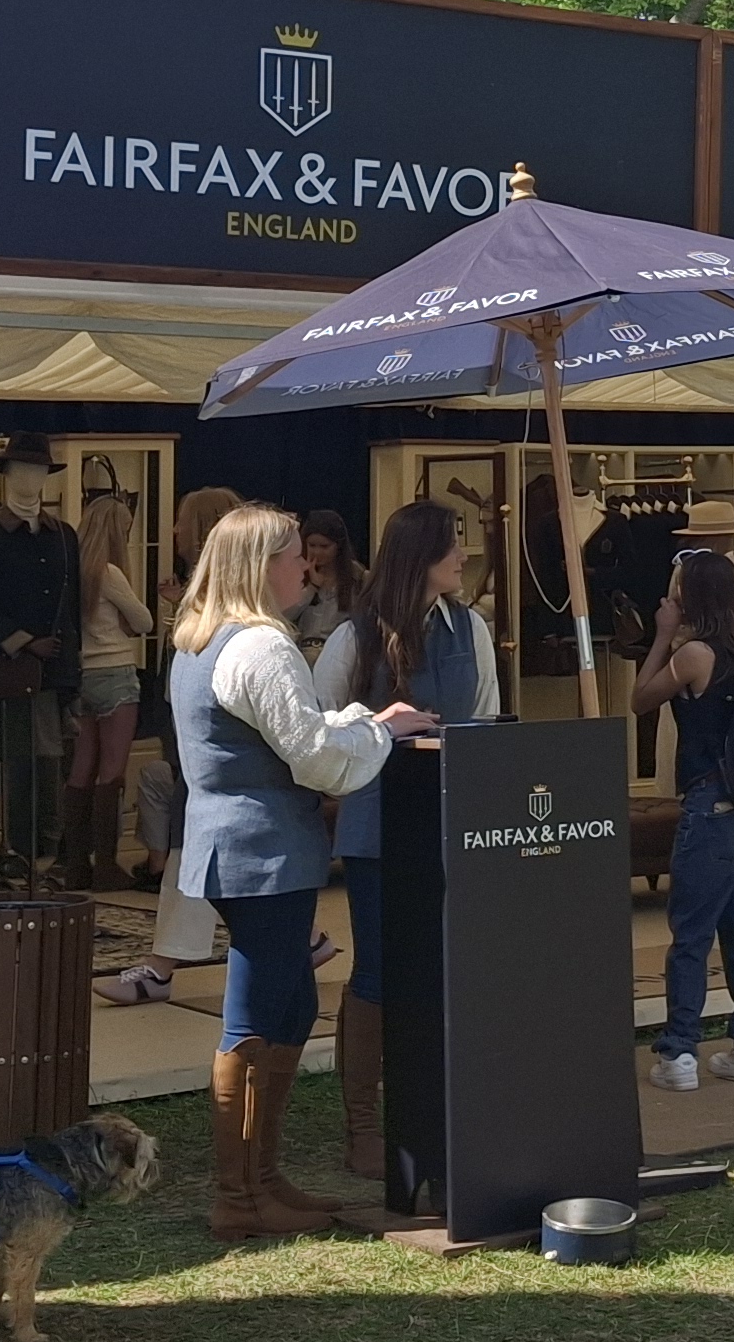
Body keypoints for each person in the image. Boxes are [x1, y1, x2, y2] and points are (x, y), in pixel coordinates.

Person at [170, 503, 430, 1239]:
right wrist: (380, 728)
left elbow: (304, 739)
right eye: (291, 555)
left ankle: (261, 1180)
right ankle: (238, 1195)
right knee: (258, 1016)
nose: (306, 566)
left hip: (241, 846)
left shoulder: (201, 639)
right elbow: (314, 757)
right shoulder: (260, 646)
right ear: (260, 566)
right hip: (262, 851)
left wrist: (358, 728)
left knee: (286, 1008)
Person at [304, 499, 499, 1154]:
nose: (463, 556)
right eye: (453, 547)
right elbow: (313, 729)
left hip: (456, 824)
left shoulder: (470, 628)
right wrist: (374, 730)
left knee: (452, 967)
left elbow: (488, 718)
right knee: (379, 972)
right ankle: (365, 1125)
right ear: (422, 556)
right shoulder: (353, 637)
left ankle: (444, 1109)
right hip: (379, 826)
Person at [631, 546, 734, 1086]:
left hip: (708, 800)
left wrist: (660, 635)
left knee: (692, 928)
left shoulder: (694, 655)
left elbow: (640, 699)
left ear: (689, 597)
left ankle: (678, 1050)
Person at [62, 490, 153, 891]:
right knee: (112, 771)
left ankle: (76, 864)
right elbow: (144, 621)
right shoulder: (110, 574)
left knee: (81, 767)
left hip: (80, 675)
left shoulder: (69, 571)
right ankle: (106, 865)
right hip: (115, 672)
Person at [290, 509, 359, 662]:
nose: (317, 552)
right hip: (301, 654)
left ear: (338, 546)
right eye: (312, 545)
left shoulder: (357, 577)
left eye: (324, 546)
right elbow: (286, 614)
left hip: (338, 657)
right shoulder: (295, 572)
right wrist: (312, 587)